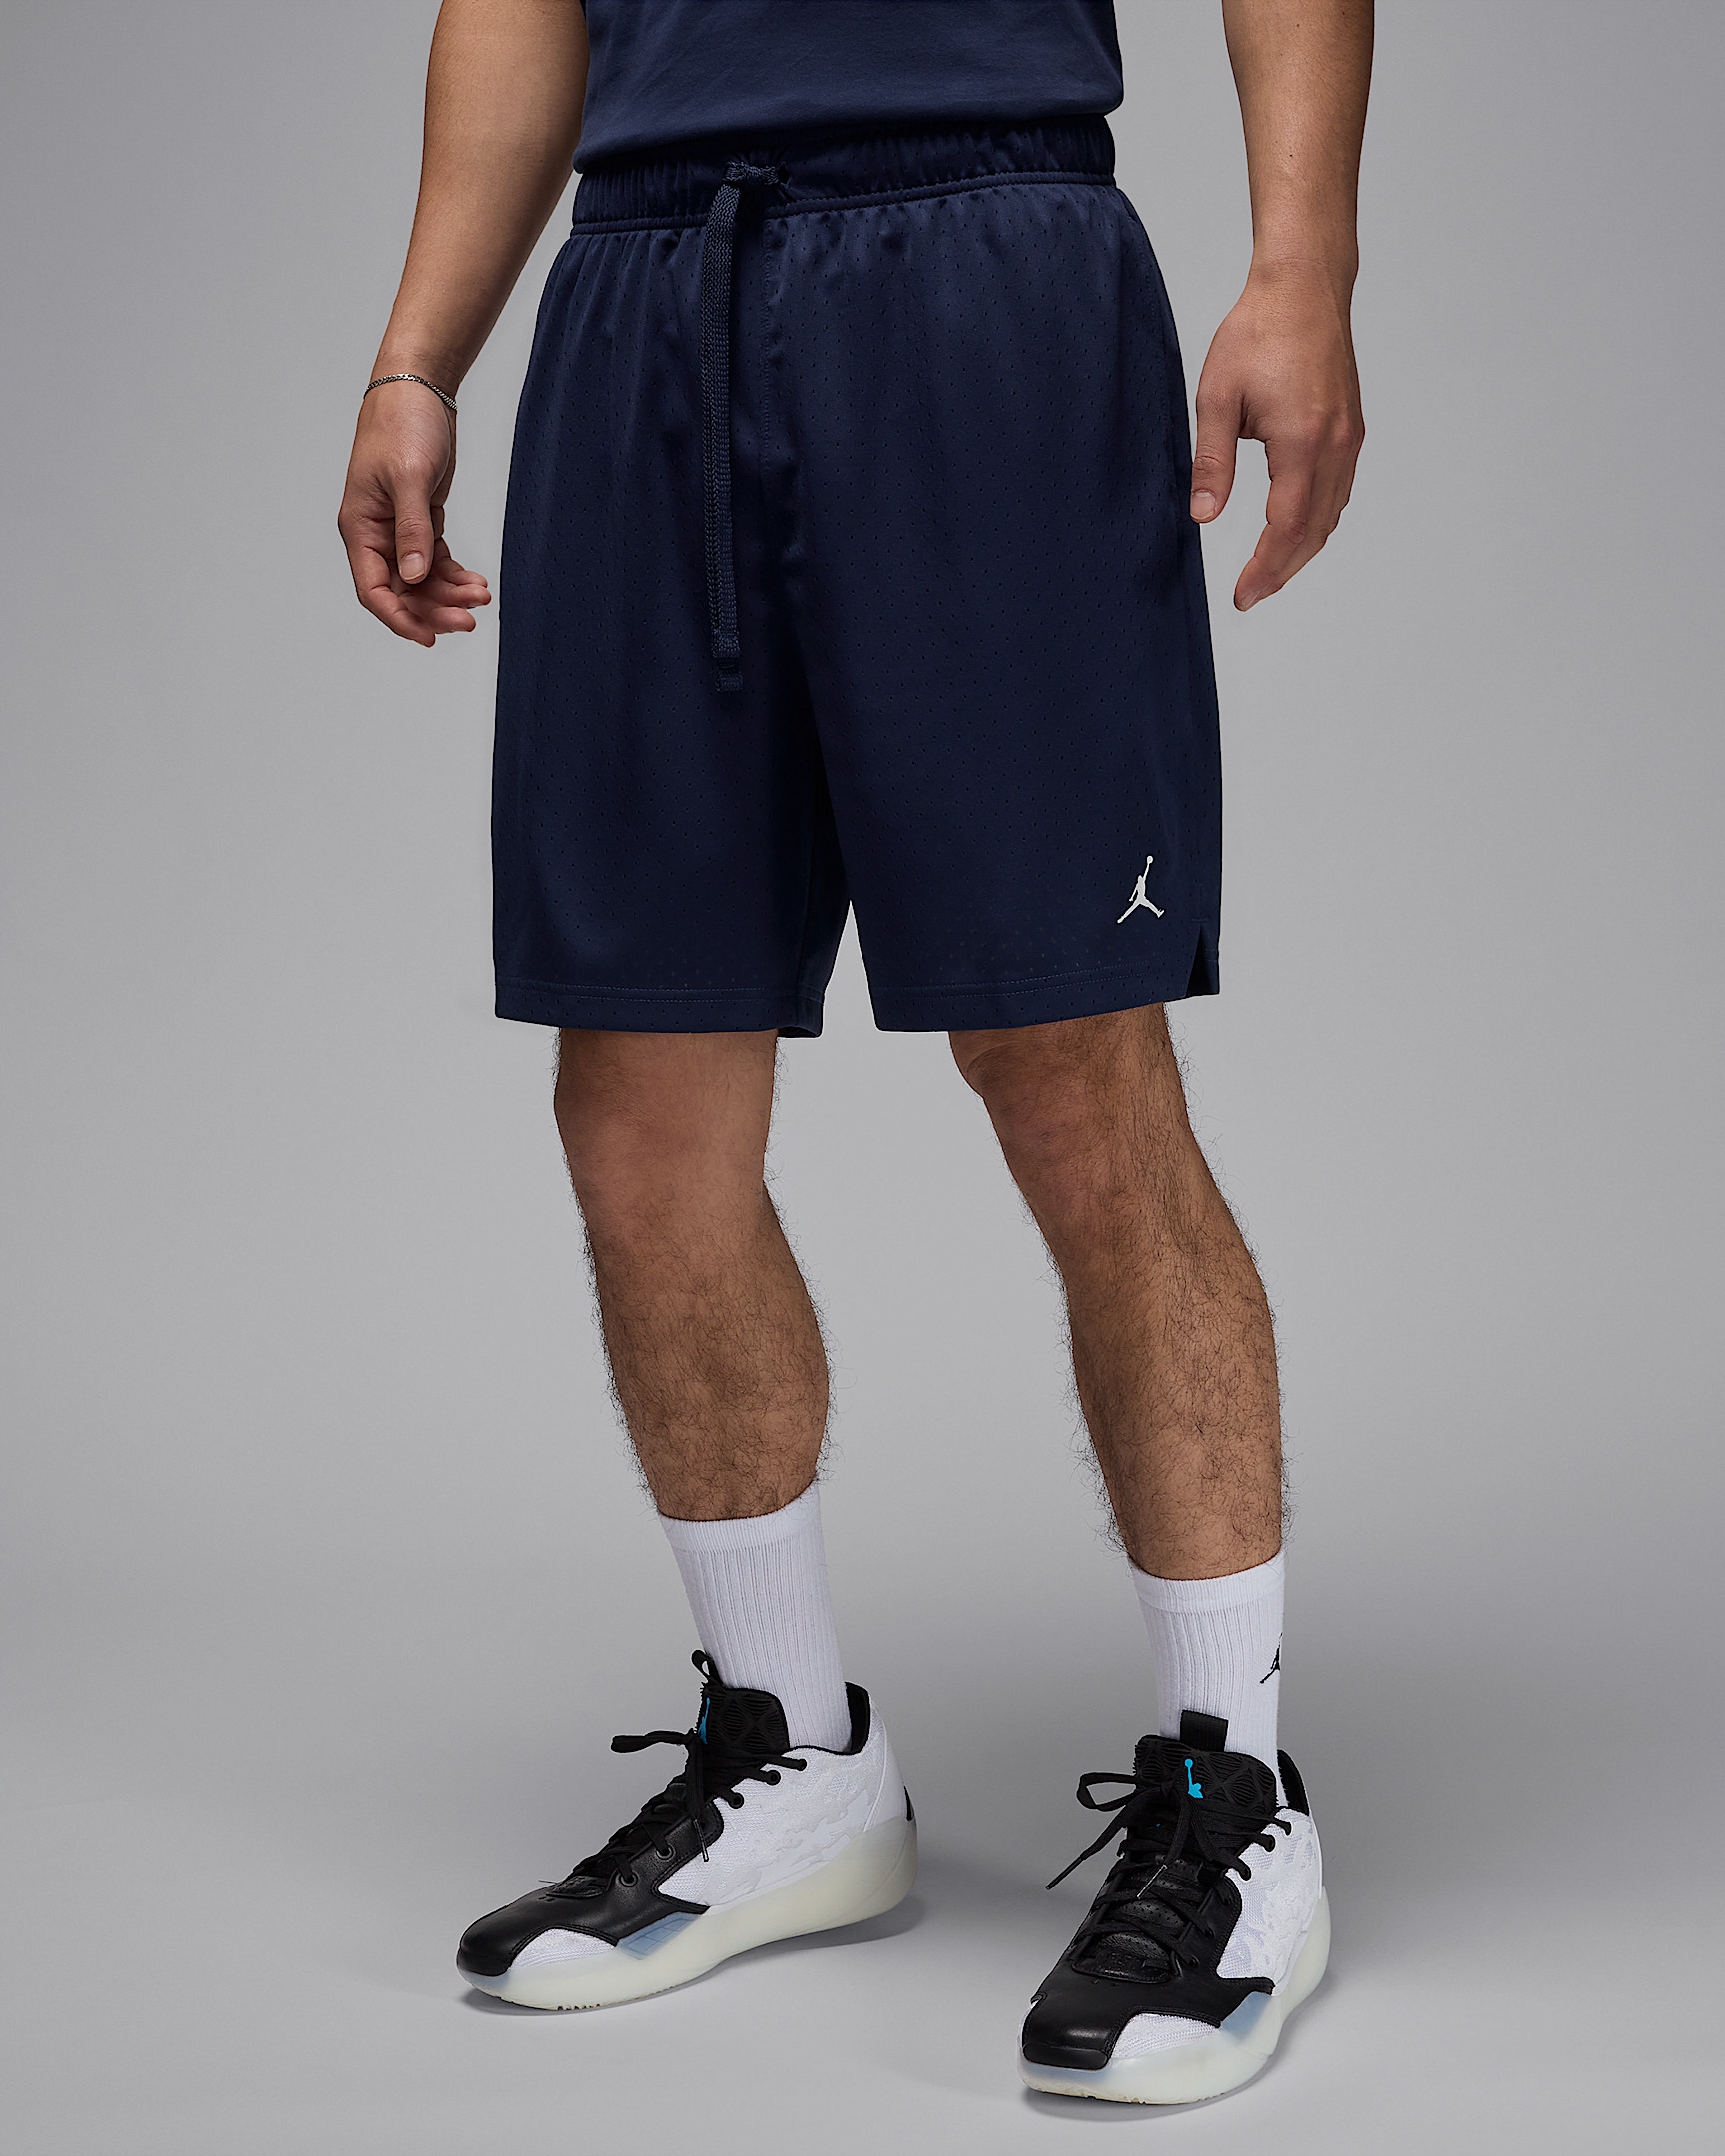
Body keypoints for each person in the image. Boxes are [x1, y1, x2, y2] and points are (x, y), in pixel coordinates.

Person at [338, 0, 1369, 2107]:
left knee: (1068, 1067)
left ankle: (1234, 1786)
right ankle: (792, 1752)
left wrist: (1303, 260)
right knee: (635, 1099)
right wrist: (417, 356)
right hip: (642, 289)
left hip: (982, 259)